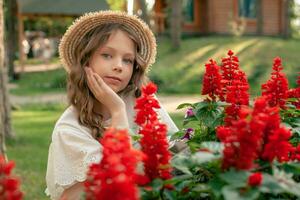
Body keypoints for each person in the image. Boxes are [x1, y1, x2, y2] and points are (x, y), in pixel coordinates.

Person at [45, 10, 185, 200]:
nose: (119, 66)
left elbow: (176, 157)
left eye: (127, 60)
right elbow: (114, 180)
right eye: (107, 55)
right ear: (85, 61)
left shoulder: (141, 101)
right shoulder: (69, 128)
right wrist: (117, 110)